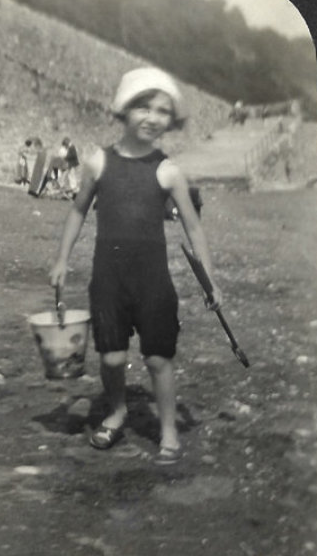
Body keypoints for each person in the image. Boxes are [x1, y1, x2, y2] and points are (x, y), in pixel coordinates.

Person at [49, 67, 222, 465]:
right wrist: (61, 260)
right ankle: (117, 411)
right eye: (143, 107)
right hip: (108, 278)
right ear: (124, 110)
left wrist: (210, 280)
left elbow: (194, 228)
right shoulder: (98, 162)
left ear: (170, 120)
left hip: (152, 281)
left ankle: (168, 429)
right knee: (111, 357)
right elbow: (77, 212)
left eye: (162, 111)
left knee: (158, 358)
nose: (152, 117)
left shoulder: (168, 171)